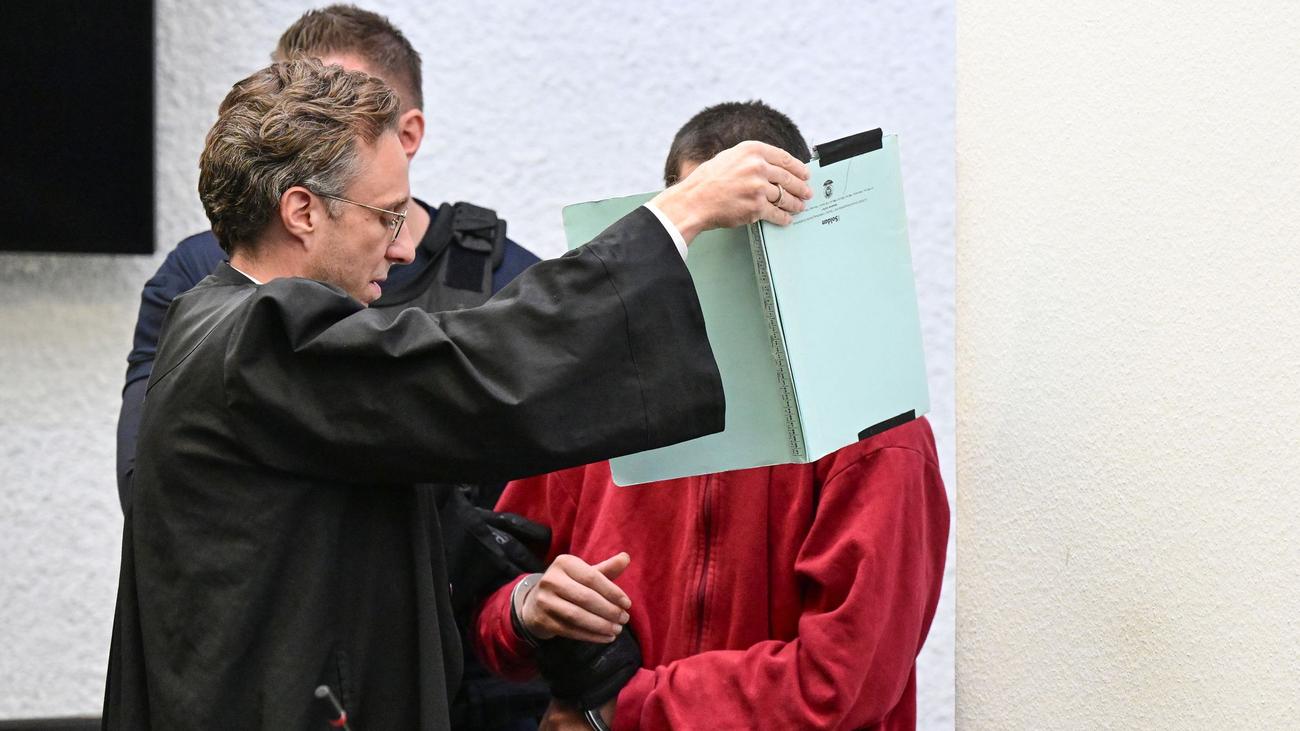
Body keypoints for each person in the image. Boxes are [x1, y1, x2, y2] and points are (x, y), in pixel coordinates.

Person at [103, 63, 812, 730]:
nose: (404, 248)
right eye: (387, 216)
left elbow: (408, 513)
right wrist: (679, 216)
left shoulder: (224, 327)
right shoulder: (259, 339)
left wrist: (526, 598)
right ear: (302, 211)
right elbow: (478, 369)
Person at [472, 101, 949, 731]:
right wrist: (526, 610)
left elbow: (842, 680)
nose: (731, 266)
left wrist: (627, 709)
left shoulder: (875, 425)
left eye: (754, 232)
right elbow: (491, 604)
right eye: (706, 226)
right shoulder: (600, 398)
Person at [114, 4, 538, 512]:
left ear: (405, 134)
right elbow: (152, 490)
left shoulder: (507, 281)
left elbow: (537, 507)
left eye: (342, 105)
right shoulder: (198, 275)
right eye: (291, 106)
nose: (308, 120)